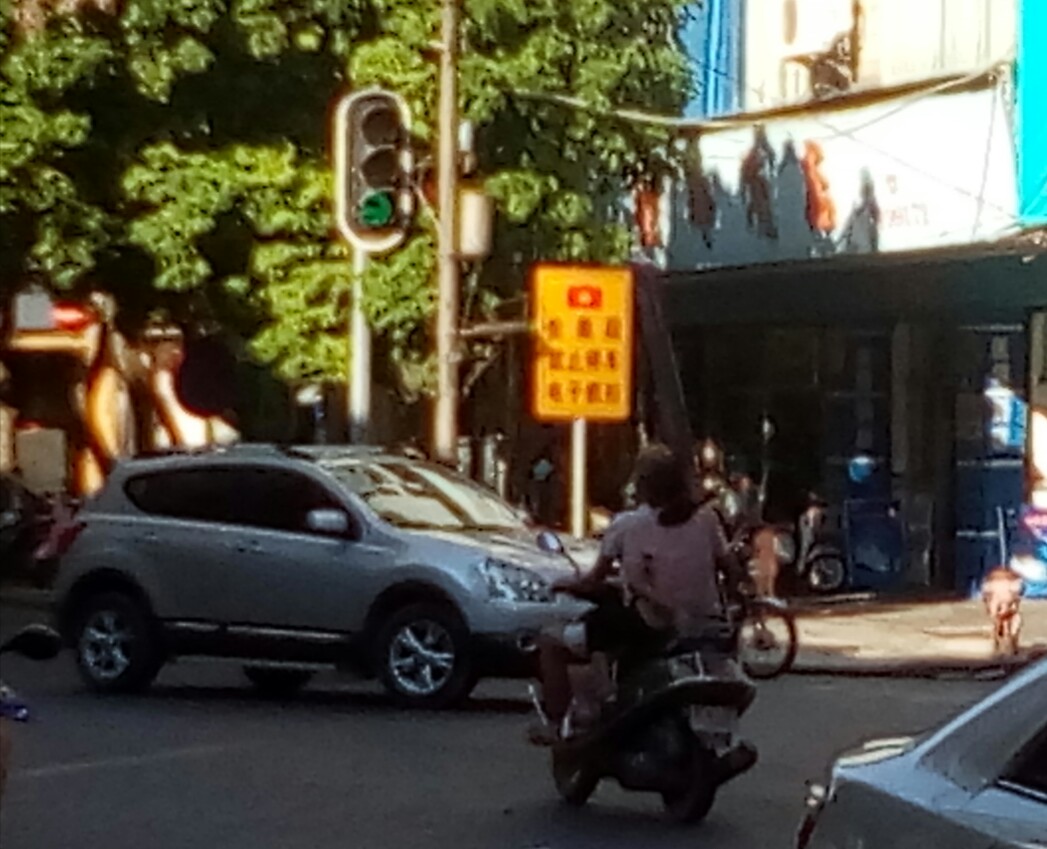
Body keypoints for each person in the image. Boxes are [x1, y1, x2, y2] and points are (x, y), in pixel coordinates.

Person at [529, 444, 736, 744]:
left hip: (654, 628)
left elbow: (620, 581)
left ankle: (558, 723)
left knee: (555, 641)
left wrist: (564, 584)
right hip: (705, 623)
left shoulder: (632, 525)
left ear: (644, 485)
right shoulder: (707, 519)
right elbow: (729, 566)